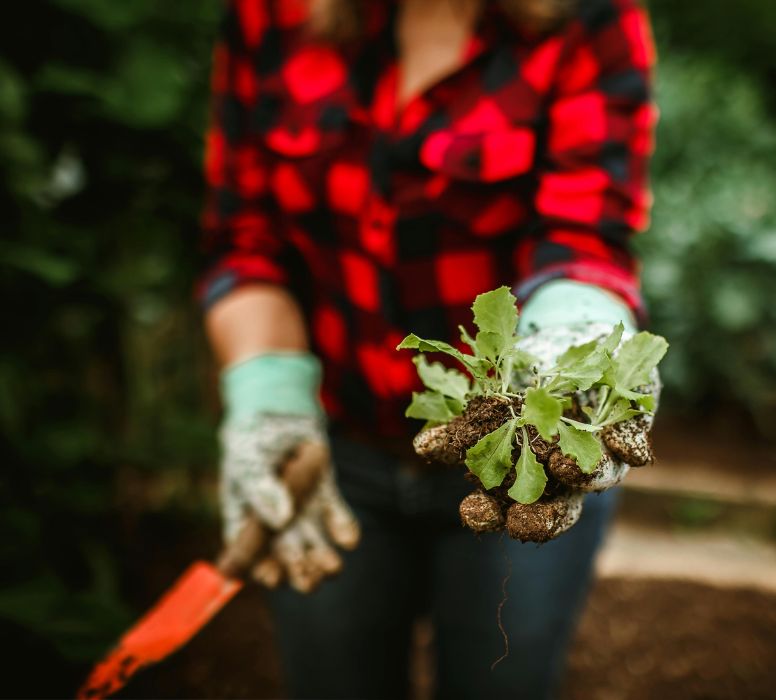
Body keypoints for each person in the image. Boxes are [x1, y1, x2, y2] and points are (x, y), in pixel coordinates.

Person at [199, 0, 656, 697]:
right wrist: (267, 403)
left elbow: (584, 233)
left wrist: (571, 345)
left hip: (517, 455)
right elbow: (244, 244)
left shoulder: (590, 18)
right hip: (331, 451)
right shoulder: (270, 15)